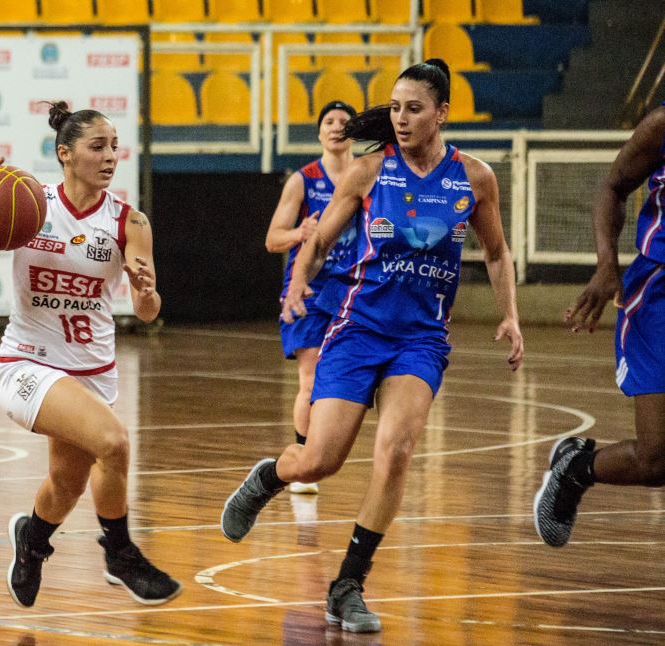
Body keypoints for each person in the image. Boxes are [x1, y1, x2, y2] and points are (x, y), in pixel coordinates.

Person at [220, 59, 524, 633]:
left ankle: (348, 584)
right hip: (357, 329)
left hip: (422, 338)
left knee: (397, 452)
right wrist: (300, 283)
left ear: (442, 113)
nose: (401, 118)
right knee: (321, 460)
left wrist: (510, 314)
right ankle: (270, 477)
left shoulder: (475, 178)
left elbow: (497, 253)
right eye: (394, 108)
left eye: (414, 108)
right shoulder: (367, 171)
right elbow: (320, 235)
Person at [0, 101, 181, 607]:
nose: (110, 156)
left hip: (91, 372)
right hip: (27, 363)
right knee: (113, 442)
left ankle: (32, 542)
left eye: (114, 146)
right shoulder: (28, 204)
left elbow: (146, 311)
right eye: (98, 146)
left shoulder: (129, 222)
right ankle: (119, 553)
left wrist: (146, 291)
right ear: (65, 154)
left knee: (66, 483)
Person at [534, 103, 665, 548]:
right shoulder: (661, 125)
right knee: (656, 461)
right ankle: (575, 470)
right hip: (657, 298)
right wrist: (606, 263)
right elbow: (611, 187)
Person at [266, 100, 358, 496]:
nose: (337, 127)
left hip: (353, 287)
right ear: (319, 132)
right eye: (329, 121)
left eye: (344, 122)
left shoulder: (369, 176)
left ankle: (320, 449)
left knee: (344, 377)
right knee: (310, 376)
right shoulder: (303, 180)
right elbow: (273, 239)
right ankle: (302, 455)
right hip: (309, 288)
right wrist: (300, 234)